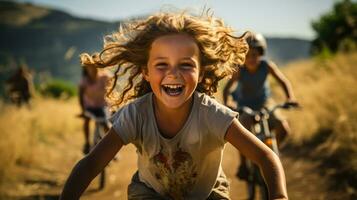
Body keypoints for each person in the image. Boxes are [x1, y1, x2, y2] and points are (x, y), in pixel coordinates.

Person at [60, 11, 288, 200]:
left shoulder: (212, 115)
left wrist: (279, 196)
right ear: (146, 72)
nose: (173, 73)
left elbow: (266, 157)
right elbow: (91, 164)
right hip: (150, 192)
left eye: (186, 65)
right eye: (161, 64)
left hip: (208, 193)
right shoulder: (136, 114)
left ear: (201, 74)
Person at [222, 33, 298, 181]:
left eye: (255, 54)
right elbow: (227, 90)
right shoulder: (240, 70)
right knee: (244, 130)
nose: (251, 59)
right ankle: (243, 164)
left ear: (261, 54)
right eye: (247, 55)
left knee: (283, 127)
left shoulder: (267, 66)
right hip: (244, 104)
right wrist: (228, 103)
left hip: (265, 103)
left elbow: (283, 81)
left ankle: (273, 153)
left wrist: (290, 98)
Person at [78, 66, 110, 154]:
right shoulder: (84, 81)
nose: (93, 71)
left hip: (102, 105)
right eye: (91, 69)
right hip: (90, 106)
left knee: (106, 125)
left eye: (95, 69)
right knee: (87, 119)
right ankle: (87, 142)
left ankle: (110, 143)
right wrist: (83, 110)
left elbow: (110, 89)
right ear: (86, 70)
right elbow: (80, 96)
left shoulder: (104, 77)